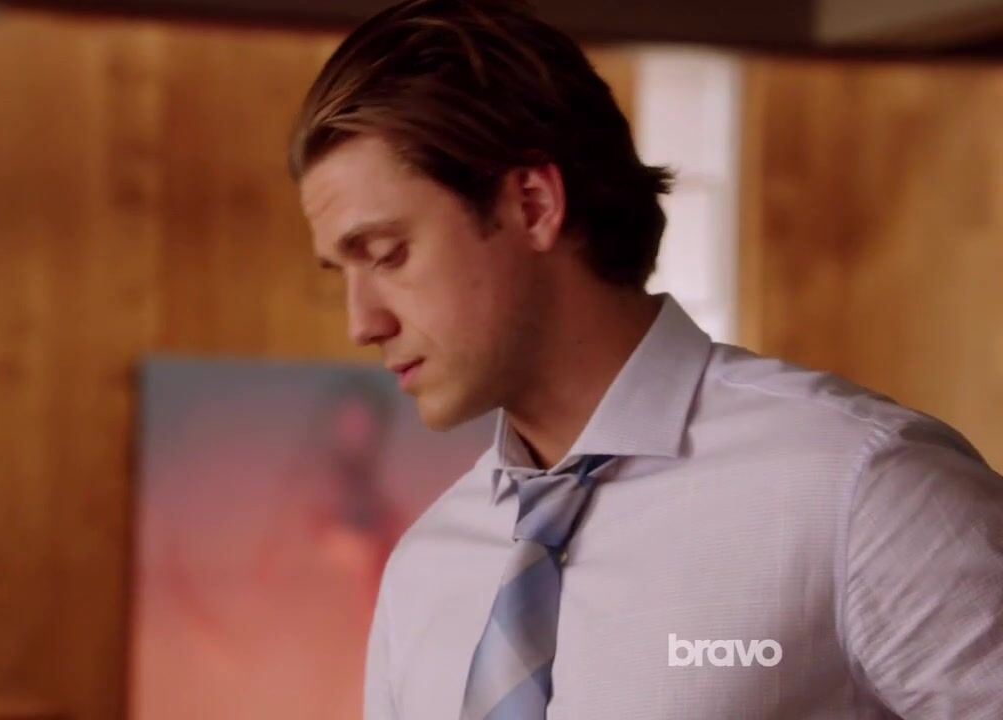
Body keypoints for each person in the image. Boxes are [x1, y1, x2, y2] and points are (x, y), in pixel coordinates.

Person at [285, 1, 1003, 718]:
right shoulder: (424, 571)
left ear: (532, 205)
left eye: (388, 255)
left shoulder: (860, 489)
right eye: (340, 274)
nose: (361, 322)